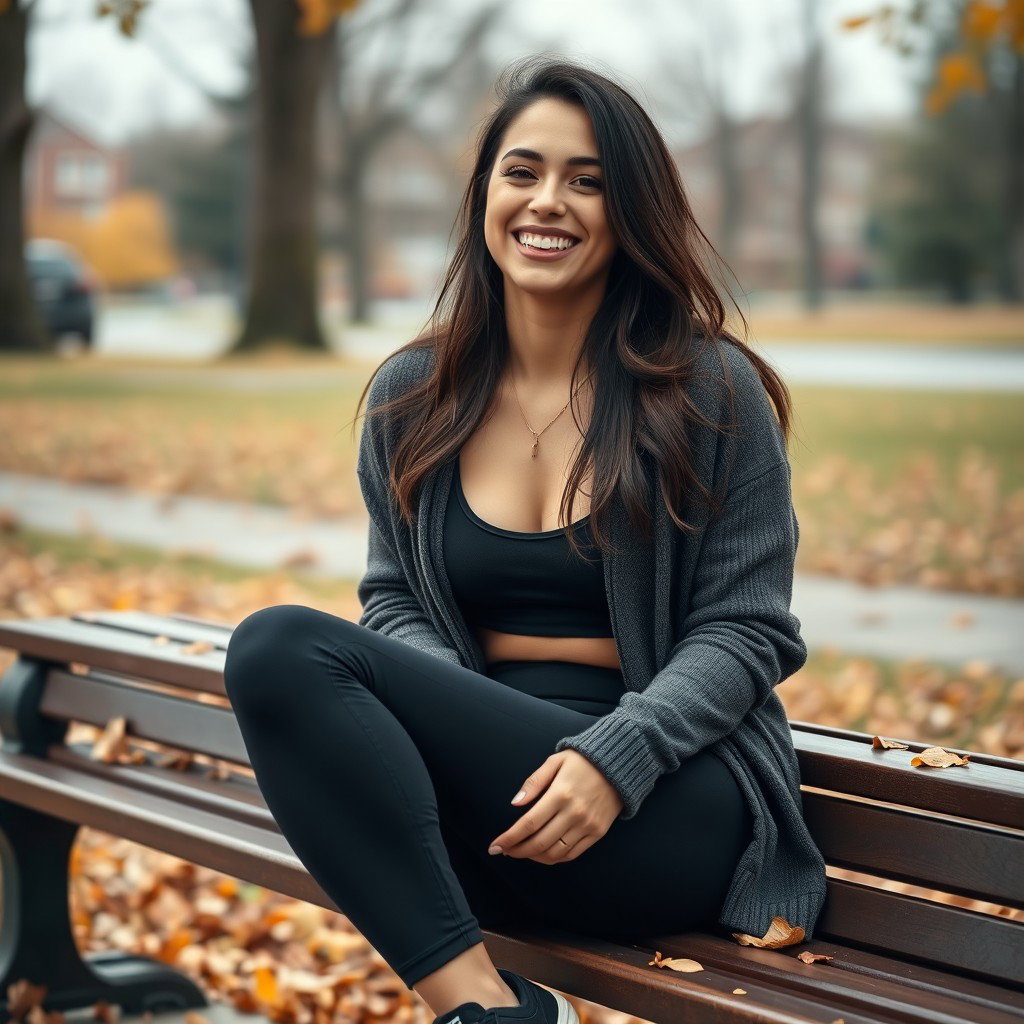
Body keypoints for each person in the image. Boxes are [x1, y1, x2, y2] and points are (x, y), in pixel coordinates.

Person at [223, 55, 828, 1024]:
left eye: (587, 180)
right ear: (483, 196)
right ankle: (486, 1010)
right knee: (275, 653)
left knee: (278, 641)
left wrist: (614, 756)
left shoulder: (712, 393)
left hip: (663, 805)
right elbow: (395, 604)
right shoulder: (411, 398)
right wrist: (439, 715)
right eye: (523, 171)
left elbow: (748, 631)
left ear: (631, 209)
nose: (549, 201)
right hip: (495, 815)